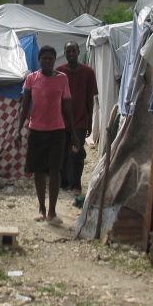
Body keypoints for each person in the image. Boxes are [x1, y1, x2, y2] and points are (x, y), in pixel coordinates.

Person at [15, 45, 80, 226]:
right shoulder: (31, 79)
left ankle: (52, 211)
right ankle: (42, 209)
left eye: (50, 58)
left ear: (54, 60)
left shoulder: (62, 79)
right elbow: (25, 106)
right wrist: (18, 130)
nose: (47, 61)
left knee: (54, 170)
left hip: (57, 131)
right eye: (44, 58)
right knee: (38, 171)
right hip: (36, 131)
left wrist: (73, 134)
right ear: (39, 60)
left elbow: (67, 107)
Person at [57, 40, 98, 194]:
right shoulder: (59, 72)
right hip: (61, 121)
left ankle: (76, 184)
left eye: (73, 50)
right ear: (64, 53)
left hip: (80, 120)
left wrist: (90, 121)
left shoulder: (88, 73)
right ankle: (64, 182)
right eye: (68, 51)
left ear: (78, 52)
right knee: (63, 152)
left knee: (77, 152)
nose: (71, 54)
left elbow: (90, 99)